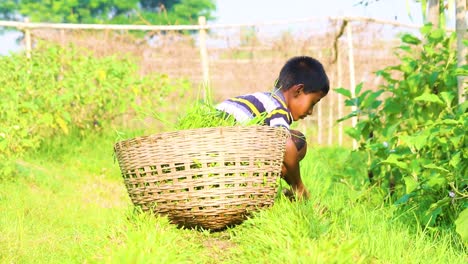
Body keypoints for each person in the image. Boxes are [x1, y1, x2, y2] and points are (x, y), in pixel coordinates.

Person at [216, 56, 329, 200]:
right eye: (313, 103)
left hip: (211, 143)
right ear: (298, 91)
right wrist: (298, 185)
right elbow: (285, 145)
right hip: (228, 151)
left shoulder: (262, 99)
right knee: (298, 142)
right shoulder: (278, 108)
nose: (311, 111)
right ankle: (290, 192)